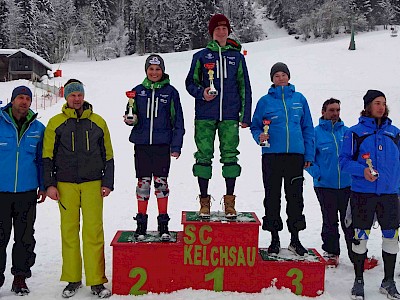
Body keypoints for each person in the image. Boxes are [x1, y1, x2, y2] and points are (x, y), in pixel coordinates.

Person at [43, 79, 114, 299]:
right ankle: (73, 279)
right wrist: (49, 184)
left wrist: (107, 182)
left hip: (93, 183)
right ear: (66, 97)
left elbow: (108, 155)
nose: (76, 99)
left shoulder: (98, 122)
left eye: (79, 95)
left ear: (83, 96)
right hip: (65, 185)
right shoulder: (55, 123)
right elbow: (47, 156)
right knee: (69, 232)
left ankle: (96, 281)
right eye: (73, 95)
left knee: (94, 232)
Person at [185, 13, 252, 218]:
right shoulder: (201, 56)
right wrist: (202, 93)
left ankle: (229, 201)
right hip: (205, 115)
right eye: (217, 29)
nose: (221, 31)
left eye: (224, 28)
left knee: (230, 157)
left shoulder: (237, 57)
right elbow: (190, 83)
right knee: (204, 157)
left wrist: (245, 114)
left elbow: (244, 86)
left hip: (230, 115)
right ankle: (204, 201)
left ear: (228, 31)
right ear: (212, 33)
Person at [340, 90, 400, 300]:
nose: (381, 107)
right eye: (377, 103)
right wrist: (362, 171)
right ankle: (359, 281)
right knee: (360, 239)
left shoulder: (394, 132)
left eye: (383, 103)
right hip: (363, 195)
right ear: (367, 106)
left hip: (389, 196)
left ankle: (389, 281)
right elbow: (343, 161)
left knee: (392, 238)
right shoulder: (354, 132)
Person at [250, 62, 314, 256]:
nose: (280, 78)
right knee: (272, 197)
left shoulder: (300, 99)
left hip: (295, 156)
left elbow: (308, 129)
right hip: (272, 156)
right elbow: (255, 126)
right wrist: (259, 136)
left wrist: (308, 154)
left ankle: (295, 239)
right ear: (272, 79)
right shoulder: (264, 101)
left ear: (289, 77)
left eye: (283, 74)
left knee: (295, 197)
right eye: (276, 75)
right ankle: (274, 238)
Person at [124, 54, 185, 241]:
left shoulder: (171, 92)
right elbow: (129, 114)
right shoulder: (137, 91)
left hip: (162, 145)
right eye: (151, 69)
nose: (154, 72)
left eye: (158, 69)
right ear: (146, 71)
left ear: (163, 71)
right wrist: (129, 119)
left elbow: (178, 121)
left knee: (161, 184)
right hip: (142, 145)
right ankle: (141, 224)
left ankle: (163, 225)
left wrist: (176, 145)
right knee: (143, 184)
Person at [0, 86, 46, 296]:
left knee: (25, 238)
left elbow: (43, 161)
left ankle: (20, 278)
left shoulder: (38, 128)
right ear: (12, 100)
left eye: (27, 98)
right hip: (1, 192)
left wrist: (44, 186)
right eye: (21, 97)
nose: (24, 101)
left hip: (27, 193)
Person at [306, 98, 354, 266]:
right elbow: (308, 160)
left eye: (338, 110)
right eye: (332, 110)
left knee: (351, 221)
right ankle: (332, 253)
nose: (335, 113)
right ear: (323, 112)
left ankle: (357, 254)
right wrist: (319, 175)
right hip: (325, 186)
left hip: (348, 185)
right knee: (329, 220)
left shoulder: (348, 133)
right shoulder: (315, 133)